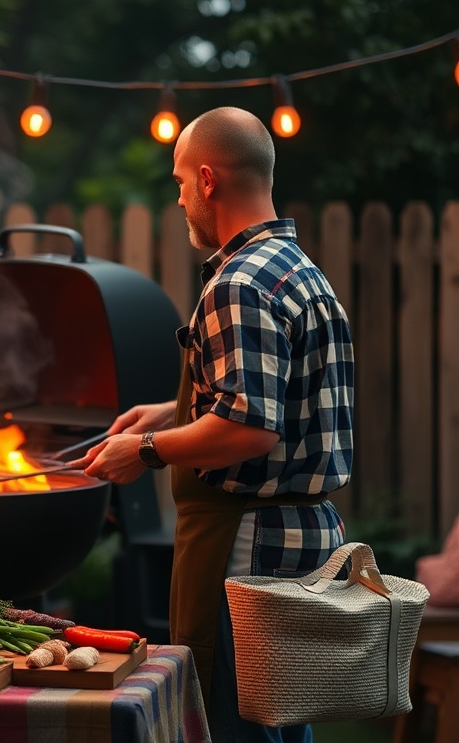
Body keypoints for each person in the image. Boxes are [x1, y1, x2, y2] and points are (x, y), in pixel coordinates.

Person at [70, 107, 354, 743]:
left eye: (179, 182)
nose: (178, 199)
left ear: (207, 179)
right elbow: (278, 398)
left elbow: (250, 428)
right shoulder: (299, 270)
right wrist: (172, 412)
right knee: (281, 727)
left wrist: (145, 449)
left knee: (232, 728)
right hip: (302, 543)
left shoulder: (239, 284)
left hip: (248, 546)